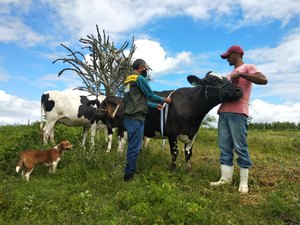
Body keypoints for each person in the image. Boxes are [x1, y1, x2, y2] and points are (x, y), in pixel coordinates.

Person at [210, 45, 268, 193]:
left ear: (236, 54)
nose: (227, 59)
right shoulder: (229, 74)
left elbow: (263, 80)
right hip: (223, 112)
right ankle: (225, 179)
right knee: (224, 146)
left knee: (240, 146)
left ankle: (243, 183)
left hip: (238, 113)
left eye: (229, 56)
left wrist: (241, 75)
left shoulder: (249, 67)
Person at [123, 58, 172, 181]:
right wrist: (165, 100)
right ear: (140, 67)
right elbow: (150, 95)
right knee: (135, 147)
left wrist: (155, 106)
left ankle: (131, 169)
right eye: (145, 67)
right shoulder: (140, 79)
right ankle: (129, 175)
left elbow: (135, 100)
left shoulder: (127, 80)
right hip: (136, 118)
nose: (146, 70)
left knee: (132, 146)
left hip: (128, 117)